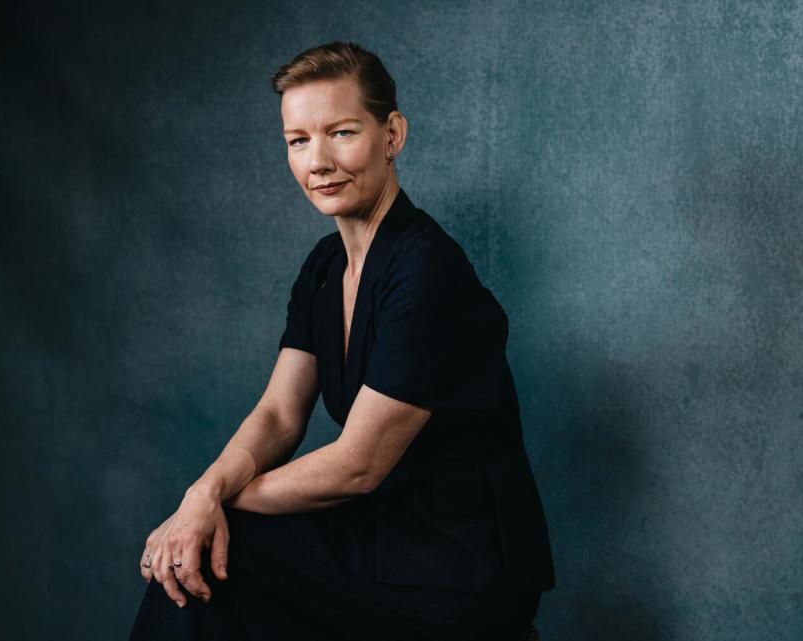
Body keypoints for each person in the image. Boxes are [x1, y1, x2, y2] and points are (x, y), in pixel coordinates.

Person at [128, 41, 554, 641]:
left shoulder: (427, 271)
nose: (318, 161)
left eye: (342, 132)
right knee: (194, 563)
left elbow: (357, 467)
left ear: (392, 134)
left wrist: (212, 505)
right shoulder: (326, 266)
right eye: (298, 140)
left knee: (208, 551)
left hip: (457, 566)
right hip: (379, 539)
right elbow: (279, 416)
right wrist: (204, 495)